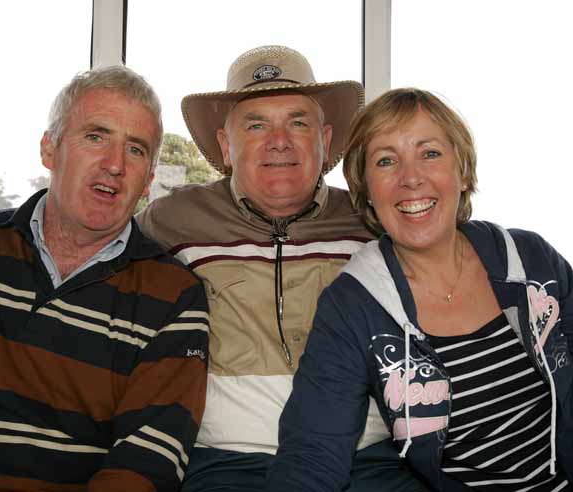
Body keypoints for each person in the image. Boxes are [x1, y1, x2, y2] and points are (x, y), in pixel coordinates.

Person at [268, 88, 573, 491]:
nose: (411, 178)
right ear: (367, 192)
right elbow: (314, 452)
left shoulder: (532, 260)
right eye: (386, 160)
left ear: (462, 172)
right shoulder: (353, 305)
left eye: (430, 153)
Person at [137, 46, 425, 491]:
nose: (279, 141)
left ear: (325, 140)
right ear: (224, 146)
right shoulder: (170, 221)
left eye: (297, 122)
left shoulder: (373, 221)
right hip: (227, 461)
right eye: (256, 125)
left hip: (366, 458)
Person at [0, 66, 209, 491]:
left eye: (135, 149)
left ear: (149, 179)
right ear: (50, 149)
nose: (115, 165)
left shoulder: (175, 296)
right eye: (95, 136)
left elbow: (147, 461)